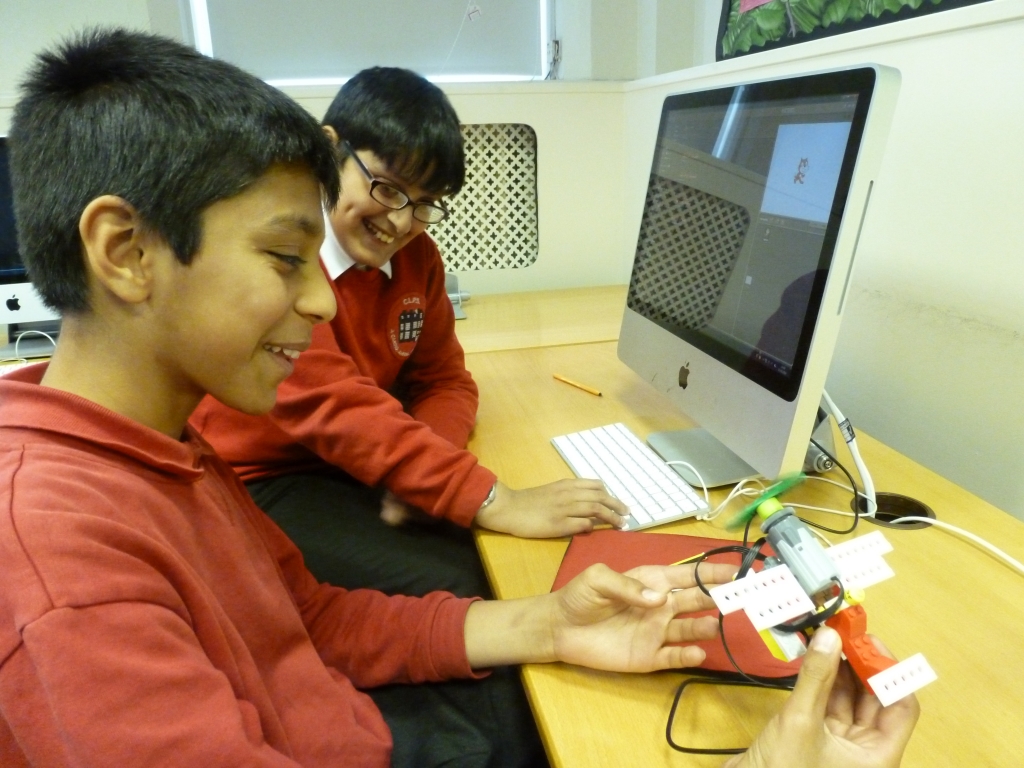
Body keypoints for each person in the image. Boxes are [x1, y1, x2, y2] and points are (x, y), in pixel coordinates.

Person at [0, 28, 919, 768]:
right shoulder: (64, 585)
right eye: (286, 258)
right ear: (125, 252)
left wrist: (547, 623)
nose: (322, 297)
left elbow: (309, 621)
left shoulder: (162, 450)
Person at [189, 66, 628, 600]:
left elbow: (446, 381)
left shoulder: (418, 259)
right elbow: (334, 405)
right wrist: (493, 499)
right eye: (387, 189)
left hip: (360, 462)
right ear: (330, 153)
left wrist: (425, 479)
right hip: (265, 477)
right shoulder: (279, 263)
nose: (400, 222)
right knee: (467, 581)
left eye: (424, 204)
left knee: (499, 557)